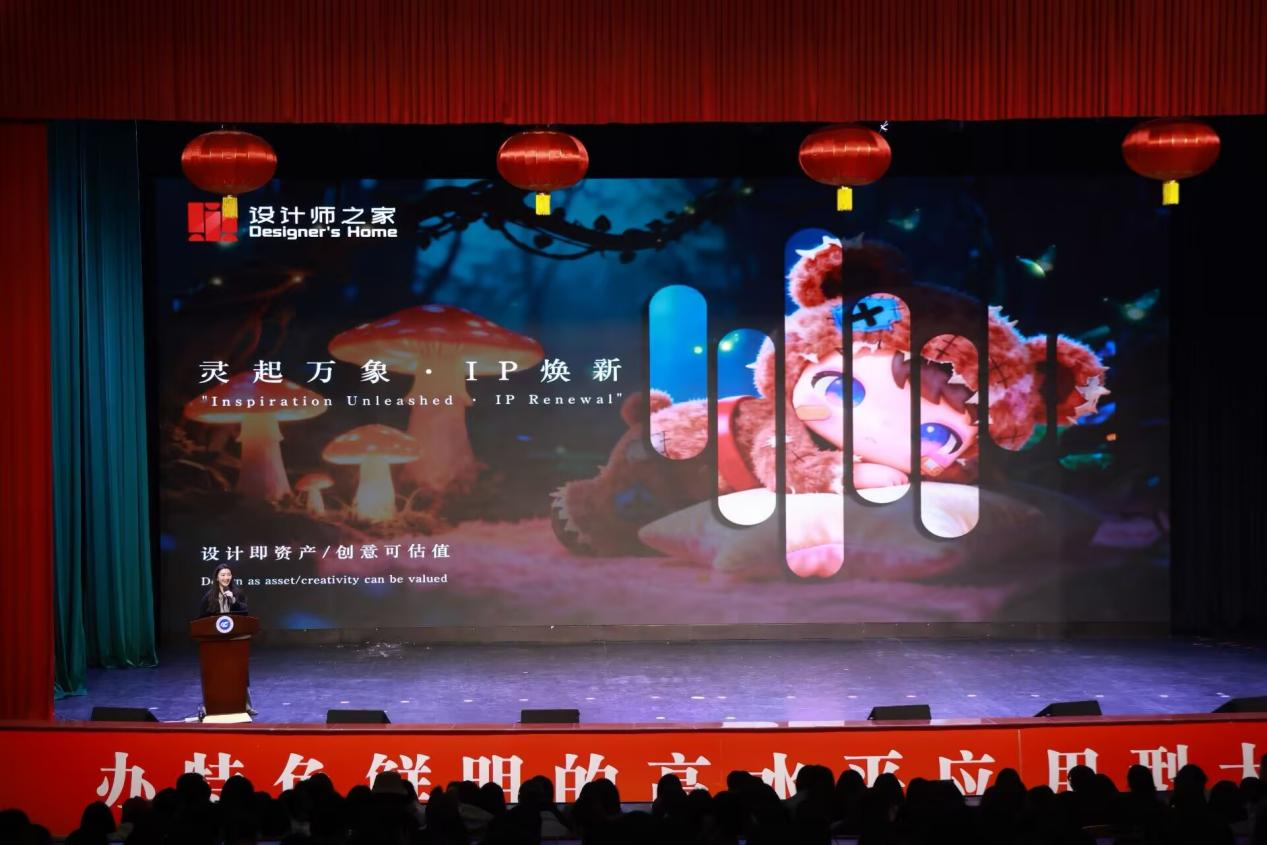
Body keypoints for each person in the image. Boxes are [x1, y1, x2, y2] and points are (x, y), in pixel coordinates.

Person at [198, 563, 256, 716]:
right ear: (217, 577)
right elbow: (202, 619)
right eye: (222, 575)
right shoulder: (209, 596)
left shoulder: (237, 593)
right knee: (216, 673)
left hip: (236, 640)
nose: (226, 578)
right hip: (215, 643)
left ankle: (246, 706)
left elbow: (245, 612)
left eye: (228, 575)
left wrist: (233, 601)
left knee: (239, 672)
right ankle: (212, 705)